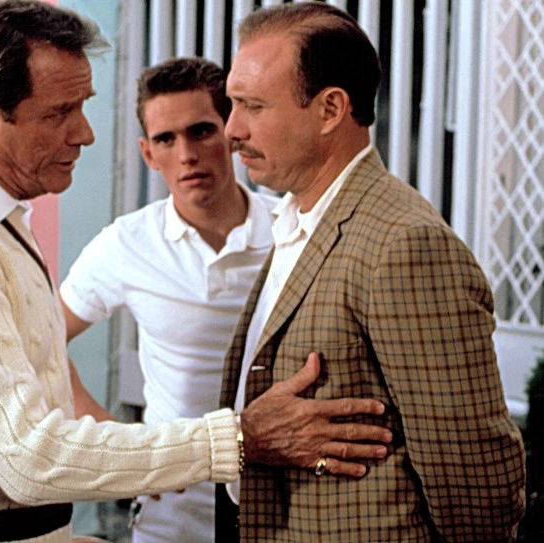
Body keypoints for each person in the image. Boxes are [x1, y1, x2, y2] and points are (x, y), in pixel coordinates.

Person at [0, 2, 393, 542]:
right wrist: (239, 438)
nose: (85, 134)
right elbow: (27, 458)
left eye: (83, 107)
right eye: (60, 113)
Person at [217, 2, 527, 542]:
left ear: (331, 109)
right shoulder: (299, 218)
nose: (231, 130)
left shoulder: (403, 244)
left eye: (253, 106)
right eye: (232, 104)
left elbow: (472, 475)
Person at [59, 57, 280, 543]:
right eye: (166, 139)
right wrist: (126, 446)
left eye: (201, 131)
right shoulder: (128, 243)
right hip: (173, 513)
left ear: (231, 133)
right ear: (147, 153)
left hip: (284, 502)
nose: (187, 154)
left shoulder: (290, 230)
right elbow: (41, 341)